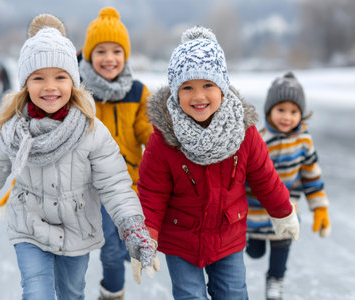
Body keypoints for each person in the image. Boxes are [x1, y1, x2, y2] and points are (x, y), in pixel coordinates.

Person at [0, 14, 157, 300]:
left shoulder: (90, 129)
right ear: (25, 83)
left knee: (72, 293)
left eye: (60, 77)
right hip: (30, 228)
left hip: (77, 230)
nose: (50, 87)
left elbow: (114, 183)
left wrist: (132, 225)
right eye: (38, 78)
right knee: (36, 291)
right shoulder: (13, 129)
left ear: (73, 82)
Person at [137, 26, 301, 300]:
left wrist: (283, 211)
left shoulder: (244, 133)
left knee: (234, 294)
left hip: (228, 236)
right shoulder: (163, 140)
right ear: (176, 93)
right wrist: (147, 236)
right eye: (187, 87)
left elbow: (264, 177)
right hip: (181, 239)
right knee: (190, 296)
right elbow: (152, 192)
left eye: (208, 86)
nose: (198, 96)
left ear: (222, 89)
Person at [78, 7, 154, 299]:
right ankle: (113, 292)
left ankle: (116, 273)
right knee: (111, 246)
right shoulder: (80, 92)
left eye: (116, 51)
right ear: (88, 55)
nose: (109, 58)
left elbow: (146, 131)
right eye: (100, 51)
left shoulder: (137, 92)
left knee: (121, 243)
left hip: (127, 182)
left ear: (125, 56)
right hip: (93, 185)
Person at [245, 71, 331, 300]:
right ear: (269, 111)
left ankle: (275, 280)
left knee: (282, 246)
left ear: (301, 114)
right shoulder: (260, 139)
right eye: (281, 110)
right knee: (254, 253)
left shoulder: (304, 140)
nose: (287, 117)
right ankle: (253, 244)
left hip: (287, 209)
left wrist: (319, 207)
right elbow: (245, 173)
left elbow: (311, 175)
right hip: (256, 209)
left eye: (294, 111)